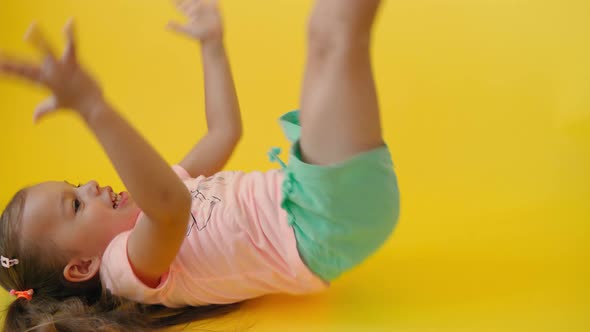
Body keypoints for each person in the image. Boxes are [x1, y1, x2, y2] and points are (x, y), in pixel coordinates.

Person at [0, 0, 400, 331]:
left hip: (312, 197)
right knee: (334, 29)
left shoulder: (150, 205)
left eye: (74, 184)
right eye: (75, 205)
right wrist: (93, 108)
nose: (89, 185)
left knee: (330, 32)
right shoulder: (125, 267)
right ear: (83, 266)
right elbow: (171, 208)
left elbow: (224, 132)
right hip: (318, 222)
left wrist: (212, 45)